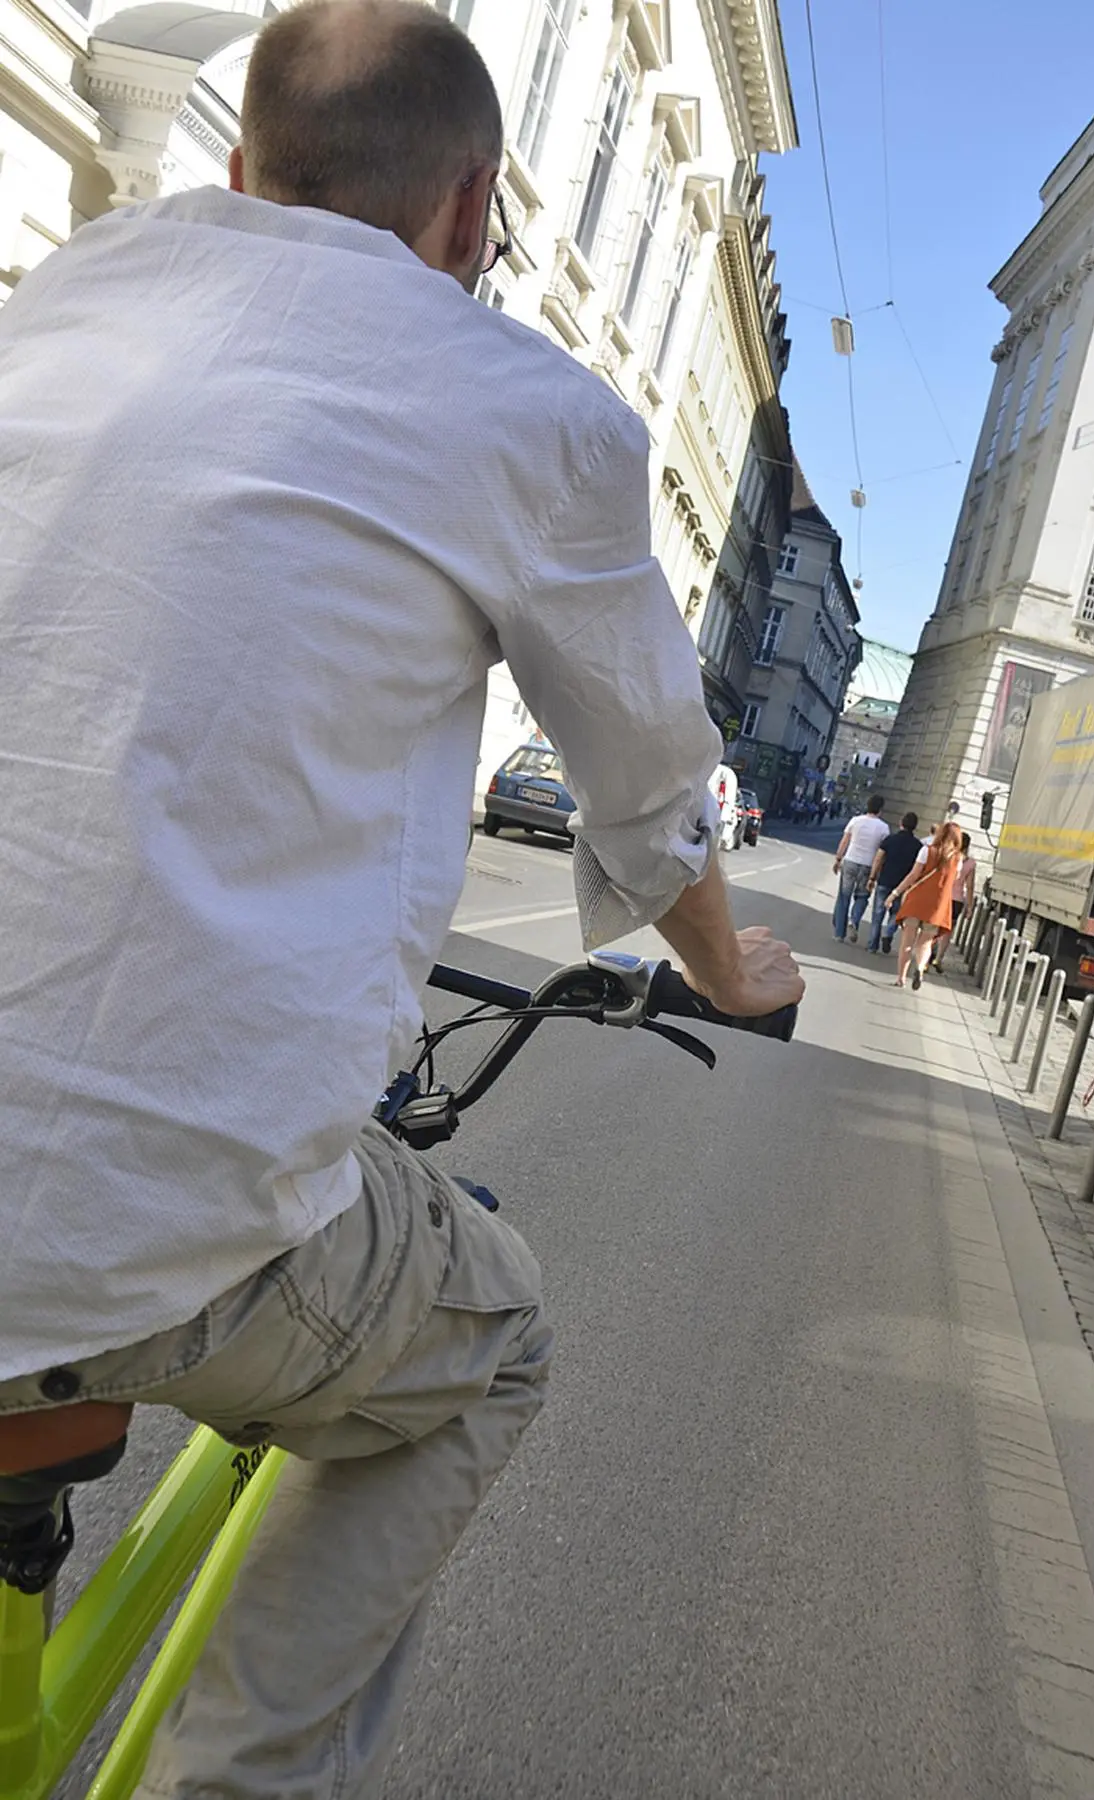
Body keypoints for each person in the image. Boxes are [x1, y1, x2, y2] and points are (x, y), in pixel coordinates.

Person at [0, 6, 806, 1795]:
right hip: (116, 1212)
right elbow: (656, 800)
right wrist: (738, 973)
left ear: (235, 173)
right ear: (472, 209)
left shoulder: (66, 303)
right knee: (489, 1342)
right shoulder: (529, 409)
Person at [889, 821, 964, 991]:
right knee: (925, 943)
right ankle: (920, 968)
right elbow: (955, 880)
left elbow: (913, 875)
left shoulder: (926, 851)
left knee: (907, 943)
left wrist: (895, 893)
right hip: (937, 906)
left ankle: (901, 978)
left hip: (917, 902)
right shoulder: (958, 859)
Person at [832, 794, 890, 942]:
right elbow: (881, 852)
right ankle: (854, 920)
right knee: (862, 897)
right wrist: (877, 872)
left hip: (851, 860)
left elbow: (845, 841)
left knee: (844, 897)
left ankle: (839, 934)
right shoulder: (884, 828)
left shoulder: (855, 820)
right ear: (880, 810)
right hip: (868, 865)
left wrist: (838, 859)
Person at [865, 812, 921, 954]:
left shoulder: (890, 839)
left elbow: (878, 858)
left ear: (901, 823)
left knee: (878, 914)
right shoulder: (917, 846)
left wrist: (872, 877)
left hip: (885, 881)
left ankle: (872, 945)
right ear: (914, 827)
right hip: (902, 885)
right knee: (896, 914)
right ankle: (888, 933)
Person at [932, 831, 976, 972]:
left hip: (942, 896)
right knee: (947, 932)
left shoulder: (948, 857)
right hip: (957, 900)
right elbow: (969, 886)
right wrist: (970, 906)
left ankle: (927, 956)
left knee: (934, 927)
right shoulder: (970, 863)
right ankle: (938, 959)